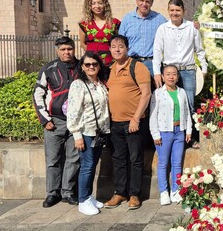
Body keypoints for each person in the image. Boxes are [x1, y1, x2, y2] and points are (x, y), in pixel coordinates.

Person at [104, 34, 152, 210]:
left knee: (135, 159)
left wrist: (136, 118)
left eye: (121, 46)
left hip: (133, 123)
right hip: (115, 123)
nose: (117, 49)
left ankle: (134, 195)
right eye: (114, 46)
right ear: (110, 49)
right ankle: (119, 192)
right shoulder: (109, 69)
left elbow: (146, 94)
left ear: (127, 48)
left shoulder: (138, 67)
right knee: (119, 159)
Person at [33, 36, 80, 208]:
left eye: (70, 49)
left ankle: (68, 192)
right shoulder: (49, 69)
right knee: (53, 159)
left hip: (76, 123)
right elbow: (38, 94)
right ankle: (52, 193)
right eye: (63, 50)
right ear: (57, 50)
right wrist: (45, 119)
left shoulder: (83, 67)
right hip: (55, 122)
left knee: (73, 159)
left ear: (74, 49)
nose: (67, 52)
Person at [66, 52, 110, 216]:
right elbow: (73, 111)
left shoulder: (100, 83)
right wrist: (76, 134)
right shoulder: (78, 85)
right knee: (87, 165)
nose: (91, 67)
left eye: (95, 64)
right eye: (87, 65)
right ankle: (83, 199)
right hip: (86, 131)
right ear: (82, 67)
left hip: (100, 131)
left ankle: (88, 196)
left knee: (92, 165)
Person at [152, 0, 207, 116]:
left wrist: (204, 68)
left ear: (183, 11)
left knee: (189, 105)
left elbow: (200, 50)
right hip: (169, 72)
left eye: (177, 10)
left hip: (188, 71)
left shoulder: (192, 27)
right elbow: (157, 52)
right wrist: (157, 72)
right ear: (168, 10)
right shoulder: (162, 29)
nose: (174, 13)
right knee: (170, 105)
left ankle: (188, 134)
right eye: (171, 10)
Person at [149, 65, 193, 205]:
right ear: (162, 76)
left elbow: (187, 112)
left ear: (178, 77)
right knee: (163, 163)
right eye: (167, 74)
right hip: (164, 132)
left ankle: (175, 190)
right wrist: (155, 134)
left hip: (179, 131)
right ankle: (164, 192)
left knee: (177, 163)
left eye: (174, 74)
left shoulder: (182, 92)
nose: (171, 76)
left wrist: (189, 130)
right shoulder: (157, 93)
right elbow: (152, 115)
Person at [119, 0, 167, 76]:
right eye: (141, 1)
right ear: (136, 0)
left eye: (147, 1)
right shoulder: (127, 19)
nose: (144, 4)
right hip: (131, 63)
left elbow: (174, 29)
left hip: (152, 65)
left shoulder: (160, 19)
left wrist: (193, 25)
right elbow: (121, 43)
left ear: (152, 2)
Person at [78, 0, 120, 66]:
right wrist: (92, 53)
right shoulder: (84, 24)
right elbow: (82, 44)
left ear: (105, 5)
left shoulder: (114, 23)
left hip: (110, 62)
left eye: (100, 3)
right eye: (93, 3)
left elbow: (119, 42)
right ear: (89, 6)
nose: (97, 6)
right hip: (91, 63)